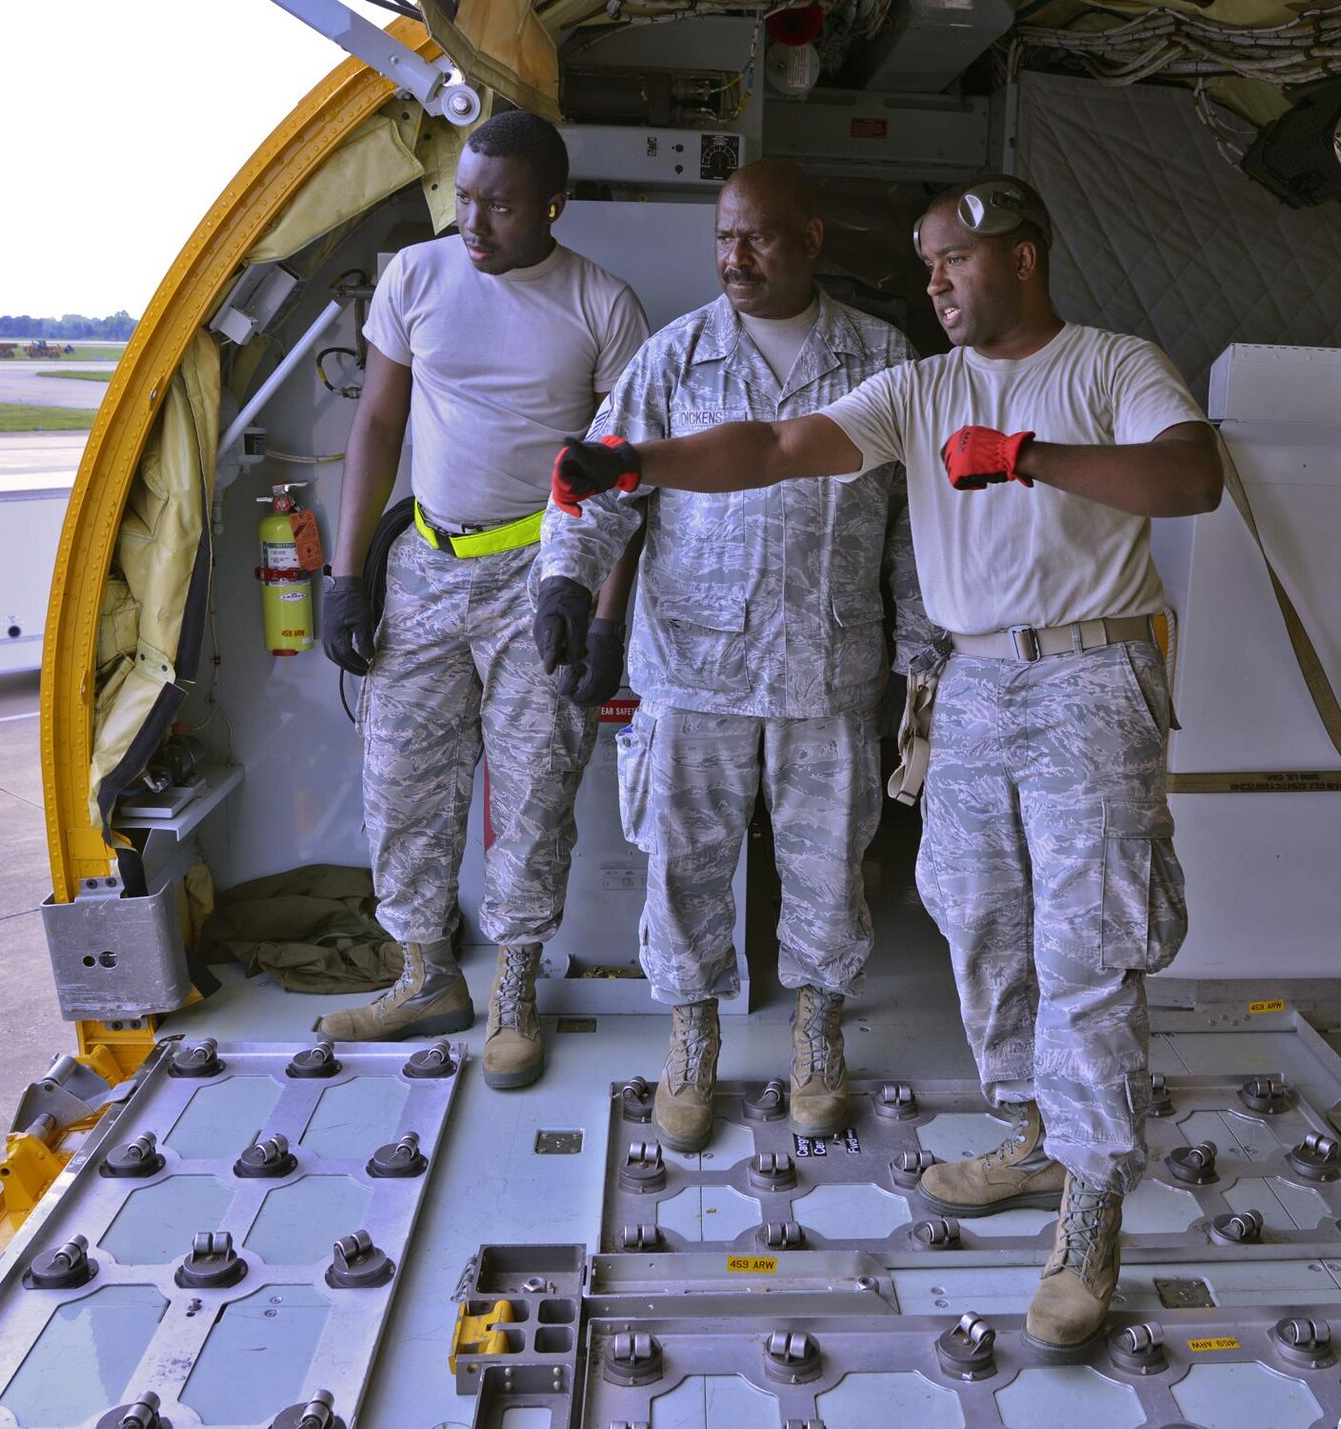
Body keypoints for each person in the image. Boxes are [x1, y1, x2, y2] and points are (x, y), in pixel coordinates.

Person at [549, 174, 1221, 1359]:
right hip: (969, 687)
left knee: (1086, 945)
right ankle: (1027, 1133)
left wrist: (1025, 455)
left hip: (1086, 680)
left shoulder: (1114, 367)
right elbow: (772, 444)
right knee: (976, 921)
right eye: (922, 266)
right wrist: (634, 463)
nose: (934, 283)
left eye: (951, 259)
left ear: (1019, 253)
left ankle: (1093, 1203)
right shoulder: (916, 385)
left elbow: (1188, 478)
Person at [536, 159, 929, 1152]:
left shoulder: (882, 360)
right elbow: (597, 483)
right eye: (721, 237)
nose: (733, 257)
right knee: (682, 864)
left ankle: (816, 1033)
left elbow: (912, 529)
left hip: (827, 673)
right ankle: (690, 1036)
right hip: (692, 671)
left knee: (829, 868)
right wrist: (565, 584)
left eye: (755, 237)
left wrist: (923, 659)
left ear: (809, 238)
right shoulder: (675, 360)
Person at [318, 109, 650, 1092]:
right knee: (401, 779)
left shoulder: (601, 304)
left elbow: (627, 477)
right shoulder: (413, 276)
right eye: (463, 197)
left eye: (498, 205)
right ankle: (423, 977)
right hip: (423, 562)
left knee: (537, 786)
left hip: (537, 575)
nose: (474, 221)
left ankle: (512, 986)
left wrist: (603, 615)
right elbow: (377, 423)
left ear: (553, 203)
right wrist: (345, 576)